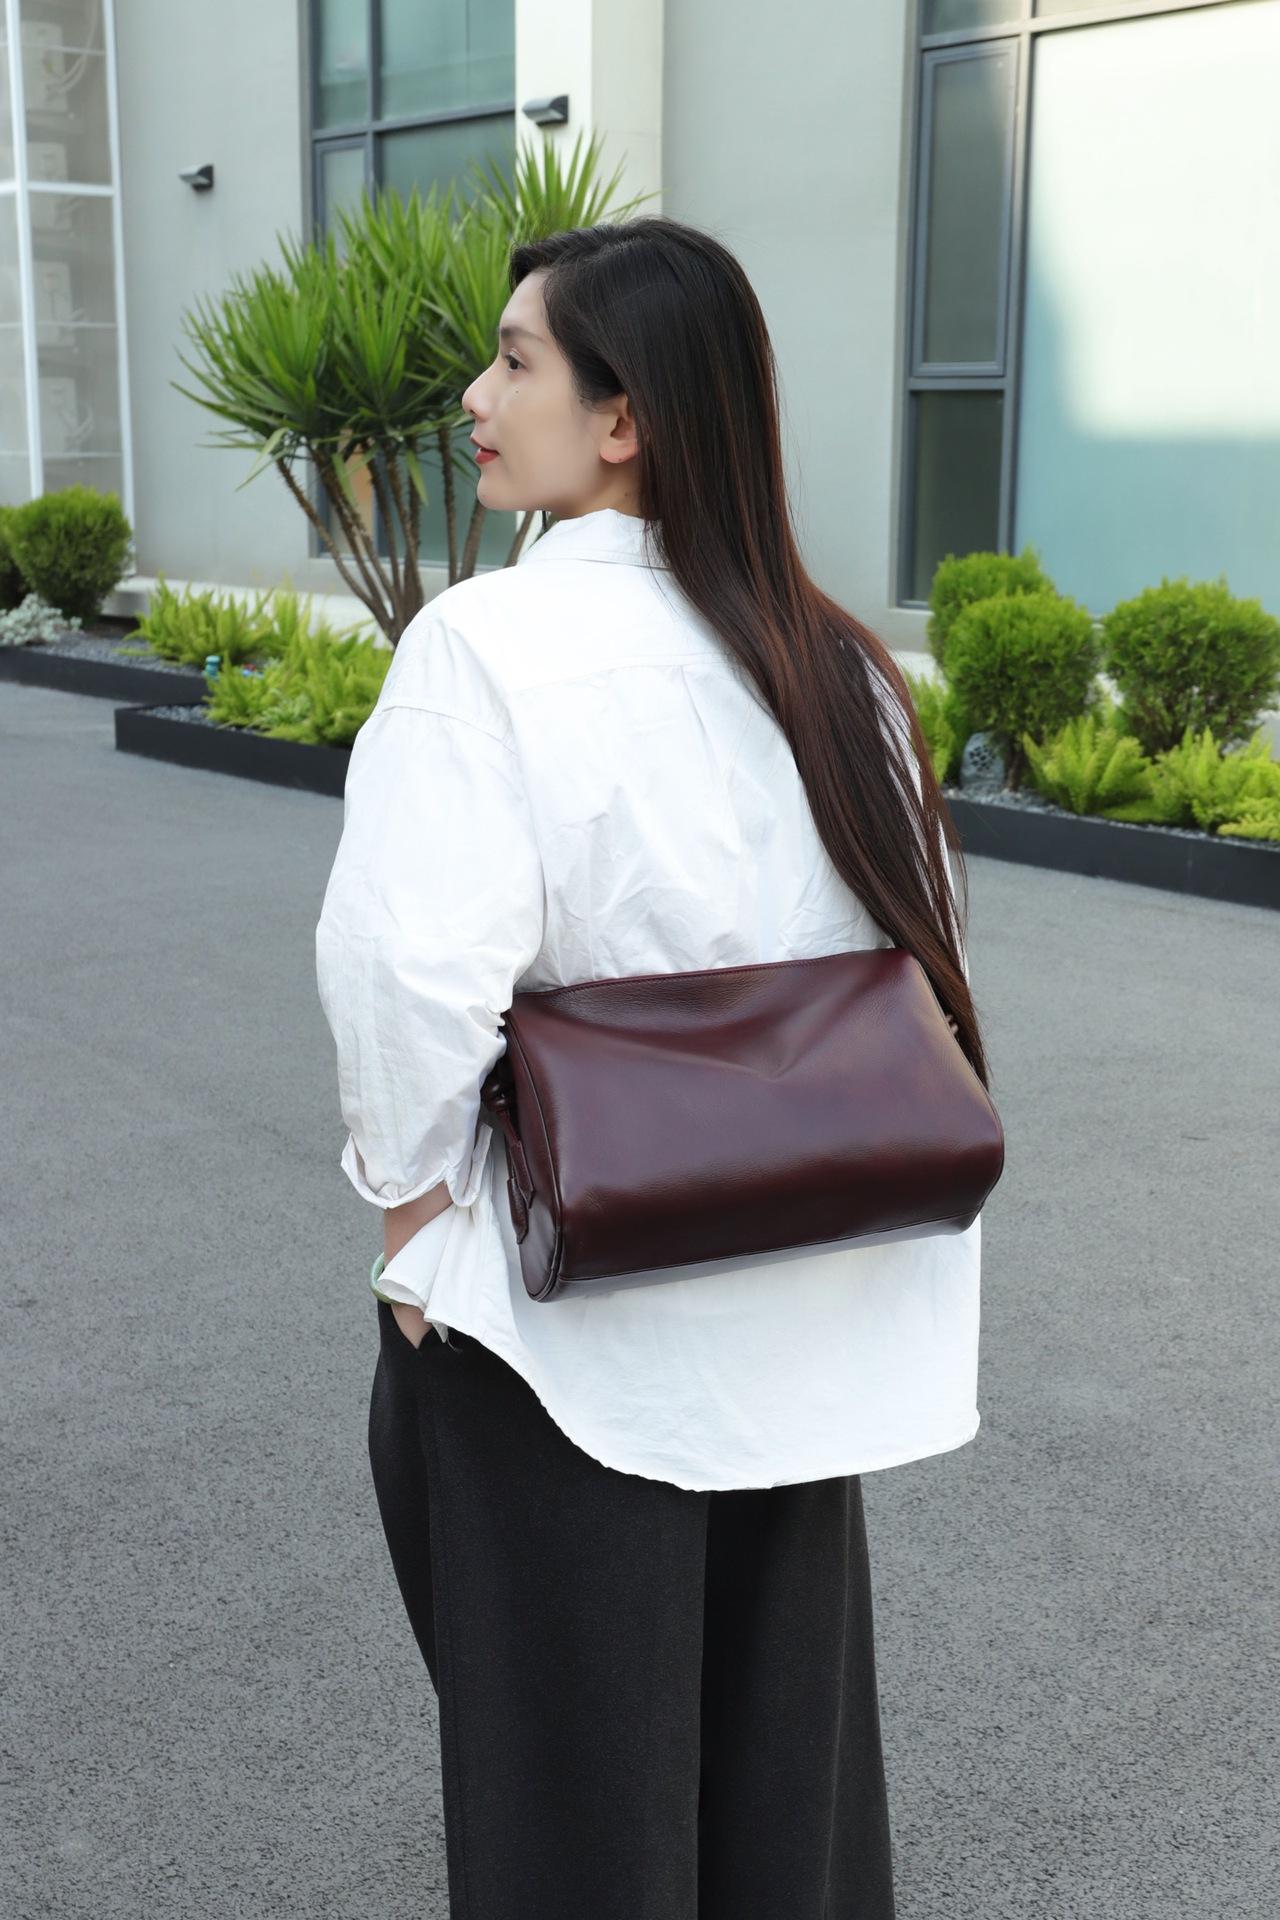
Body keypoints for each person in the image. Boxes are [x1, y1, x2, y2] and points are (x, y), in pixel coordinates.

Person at [314, 214, 990, 1920]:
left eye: (515, 360)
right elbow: (917, 934)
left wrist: (410, 1227)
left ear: (623, 419)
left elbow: (408, 971)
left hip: (570, 1319)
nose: (475, 398)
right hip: (803, 1299)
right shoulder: (834, 661)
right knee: (787, 1816)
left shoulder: (485, 647)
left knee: (575, 1823)